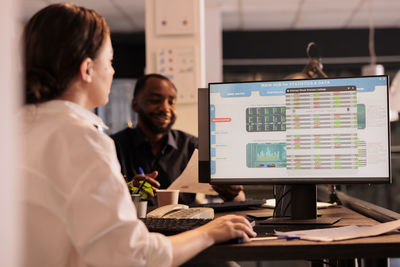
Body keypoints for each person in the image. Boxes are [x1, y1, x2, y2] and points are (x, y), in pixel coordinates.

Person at [21, 3, 256, 267]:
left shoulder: (17, 130)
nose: (112, 71)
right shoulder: (83, 141)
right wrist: (209, 232)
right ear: (87, 69)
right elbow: (133, 257)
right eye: (109, 61)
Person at [111, 73, 245, 205]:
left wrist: (231, 192)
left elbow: (239, 199)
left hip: (187, 226)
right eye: (155, 100)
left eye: (171, 102)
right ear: (135, 105)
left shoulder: (192, 146)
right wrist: (127, 191)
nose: (165, 108)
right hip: (136, 225)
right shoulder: (112, 147)